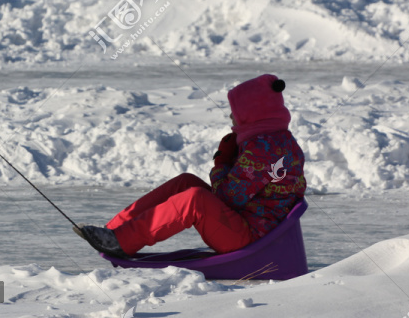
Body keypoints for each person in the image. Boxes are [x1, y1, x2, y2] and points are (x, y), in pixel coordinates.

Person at [74, 74, 305, 258]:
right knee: (186, 182)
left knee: (195, 199)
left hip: (251, 238)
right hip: (253, 225)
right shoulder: (273, 140)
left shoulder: (262, 150)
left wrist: (222, 162)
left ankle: (121, 241)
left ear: (251, 113)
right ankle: (116, 230)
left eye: (235, 111)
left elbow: (228, 198)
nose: (231, 117)